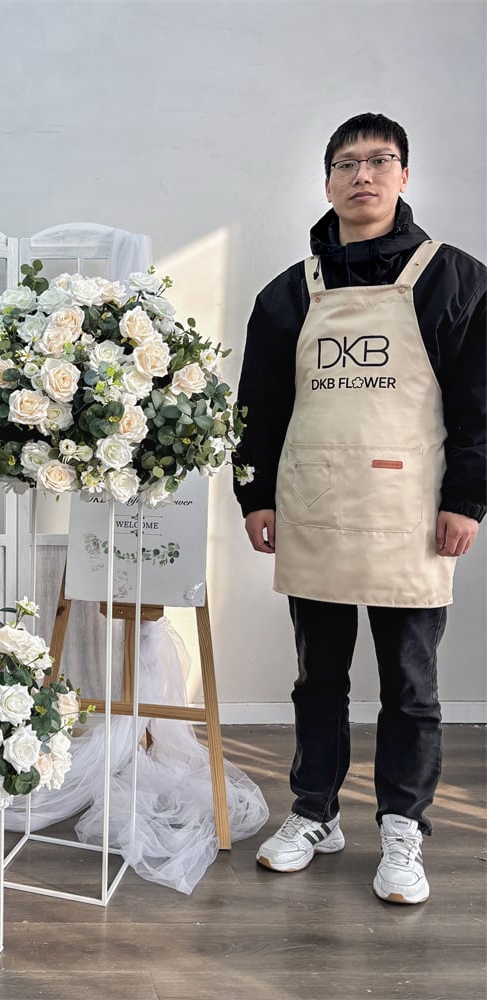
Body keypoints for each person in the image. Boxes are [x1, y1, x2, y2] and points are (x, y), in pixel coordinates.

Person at [233, 112, 485, 904]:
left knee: (410, 685)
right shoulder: (289, 292)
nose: (363, 175)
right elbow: (258, 407)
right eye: (347, 163)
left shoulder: (455, 280)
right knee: (318, 677)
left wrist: (467, 499)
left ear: (404, 176)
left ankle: (404, 828)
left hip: (413, 515)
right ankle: (315, 811)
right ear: (327, 182)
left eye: (380, 161)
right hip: (313, 509)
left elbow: (479, 406)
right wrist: (255, 494)